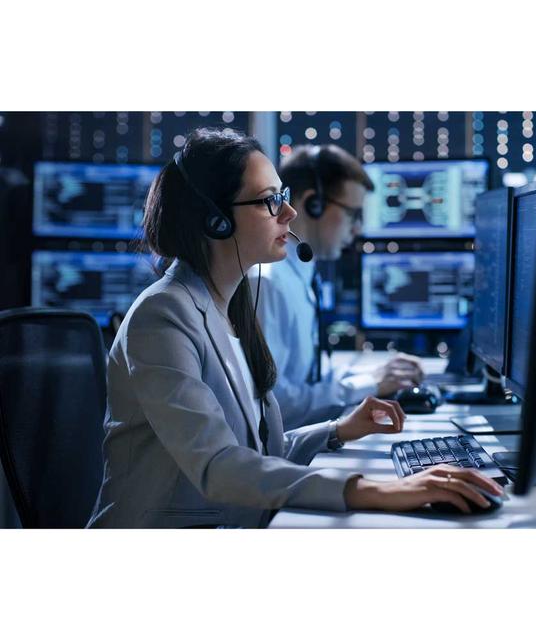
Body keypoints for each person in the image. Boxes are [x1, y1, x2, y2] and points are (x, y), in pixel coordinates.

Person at [87, 127, 503, 529]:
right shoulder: (163, 315)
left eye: (283, 196)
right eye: (270, 201)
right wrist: (376, 489)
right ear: (216, 220)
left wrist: (338, 430)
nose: (289, 212)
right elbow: (218, 466)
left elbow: (257, 451)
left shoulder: (229, 306)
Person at [249, 144, 424, 430]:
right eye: (353, 214)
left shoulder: (301, 275)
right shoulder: (267, 284)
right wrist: (371, 383)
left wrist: (376, 375)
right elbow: (275, 405)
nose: (358, 230)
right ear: (312, 204)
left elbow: (309, 377)